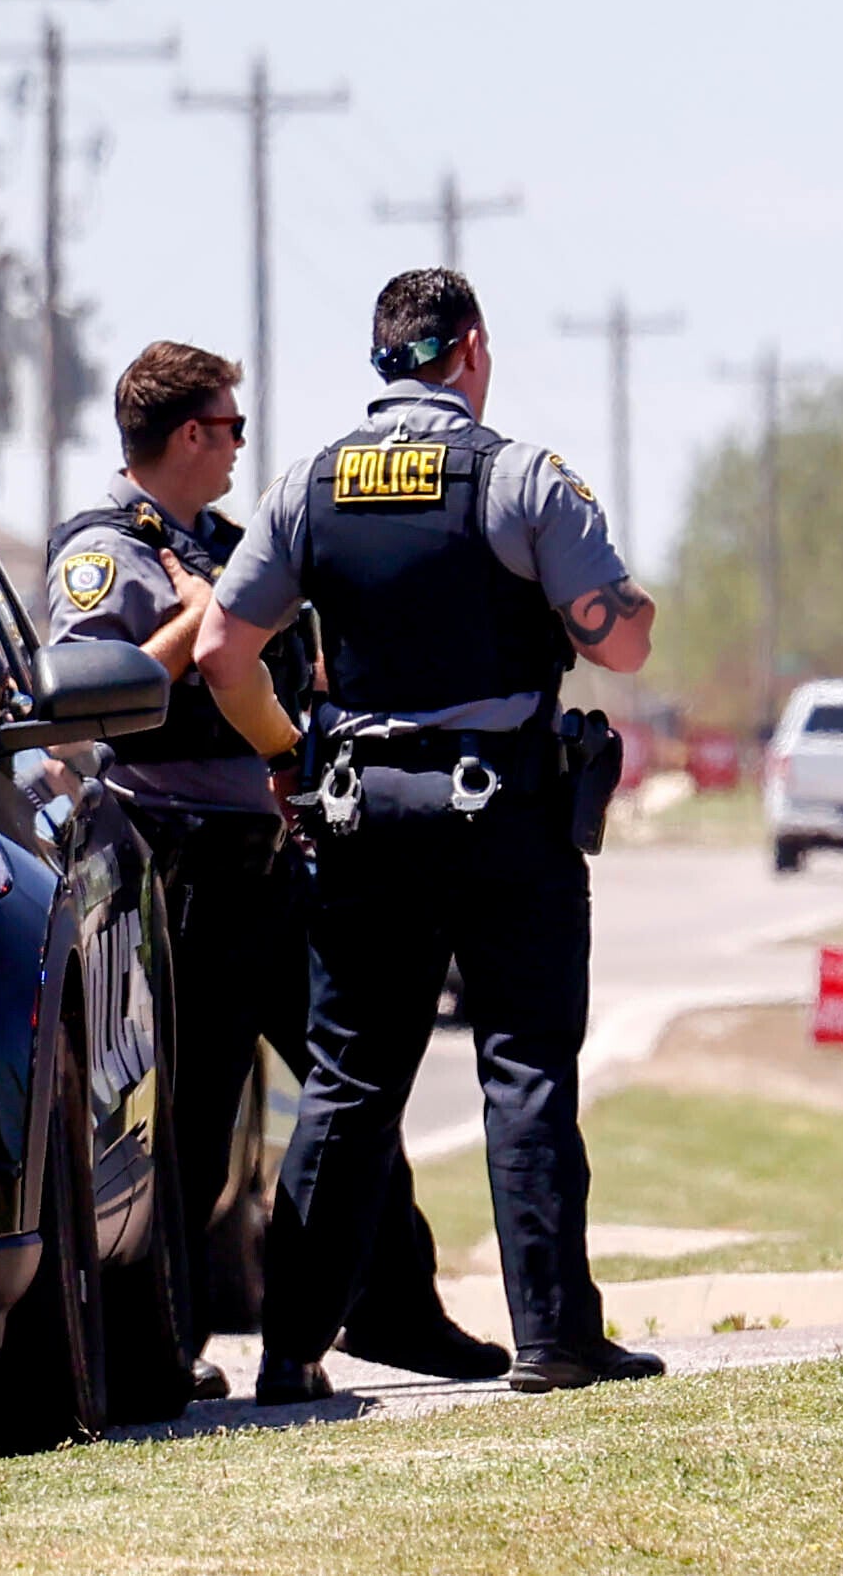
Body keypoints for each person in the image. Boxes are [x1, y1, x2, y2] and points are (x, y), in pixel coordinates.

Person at [196, 270, 667, 1402]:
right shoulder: (519, 480)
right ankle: (555, 1338)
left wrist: (286, 756)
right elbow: (623, 648)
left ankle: (292, 1349)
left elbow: (223, 648)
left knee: (350, 1082)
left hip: (361, 819)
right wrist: (616, 604)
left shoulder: (308, 486)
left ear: (382, 358)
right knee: (524, 1066)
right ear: (471, 351)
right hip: (505, 813)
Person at [50, 343, 507, 1394]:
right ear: (188, 435)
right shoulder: (104, 551)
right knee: (193, 1123)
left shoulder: (215, 542)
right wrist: (201, 615)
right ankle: (157, 1352)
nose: (242, 444)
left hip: (272, 857)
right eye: (231, 425)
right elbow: (91, 690)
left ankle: (392, 1309)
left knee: (352, 1087)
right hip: (179, 869)